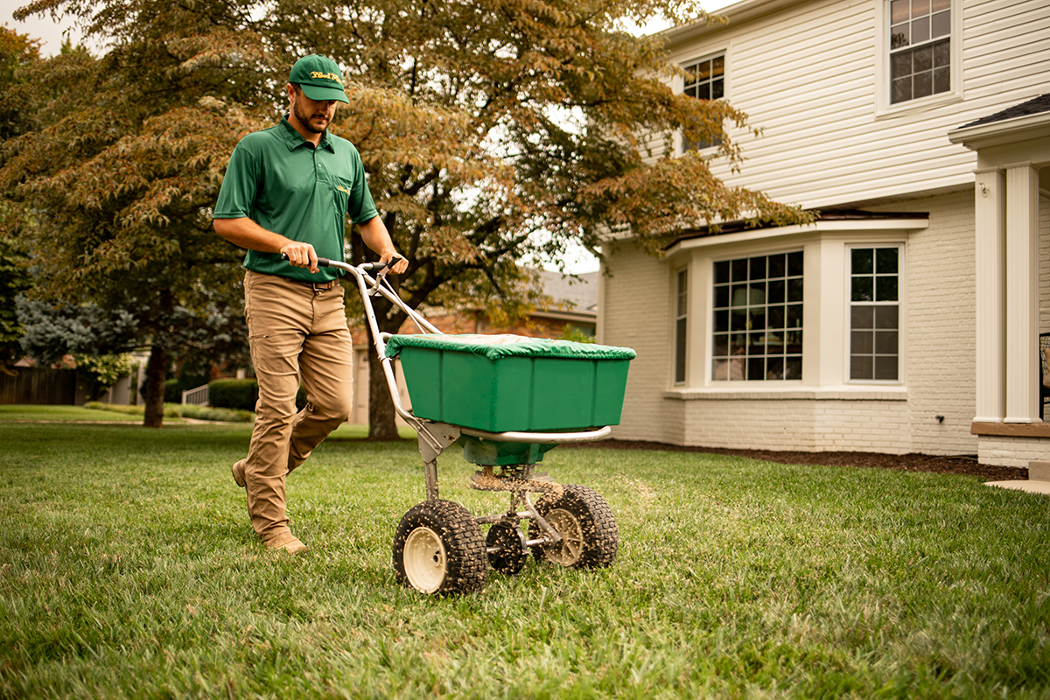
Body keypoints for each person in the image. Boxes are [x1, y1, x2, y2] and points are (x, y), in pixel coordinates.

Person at [213, 55, 408, 554]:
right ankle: (272, 525)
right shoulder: (257, 148)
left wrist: (384, 248)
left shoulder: (346, 154)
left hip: (330, 295)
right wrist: (280, 243)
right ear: (292, 93)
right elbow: (227, 221)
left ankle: (257, 469)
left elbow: (365, 216)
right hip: (275, 289)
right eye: (317, 101)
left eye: (333, 104)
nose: (326, 111)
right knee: (278, 408)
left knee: (336, 406)